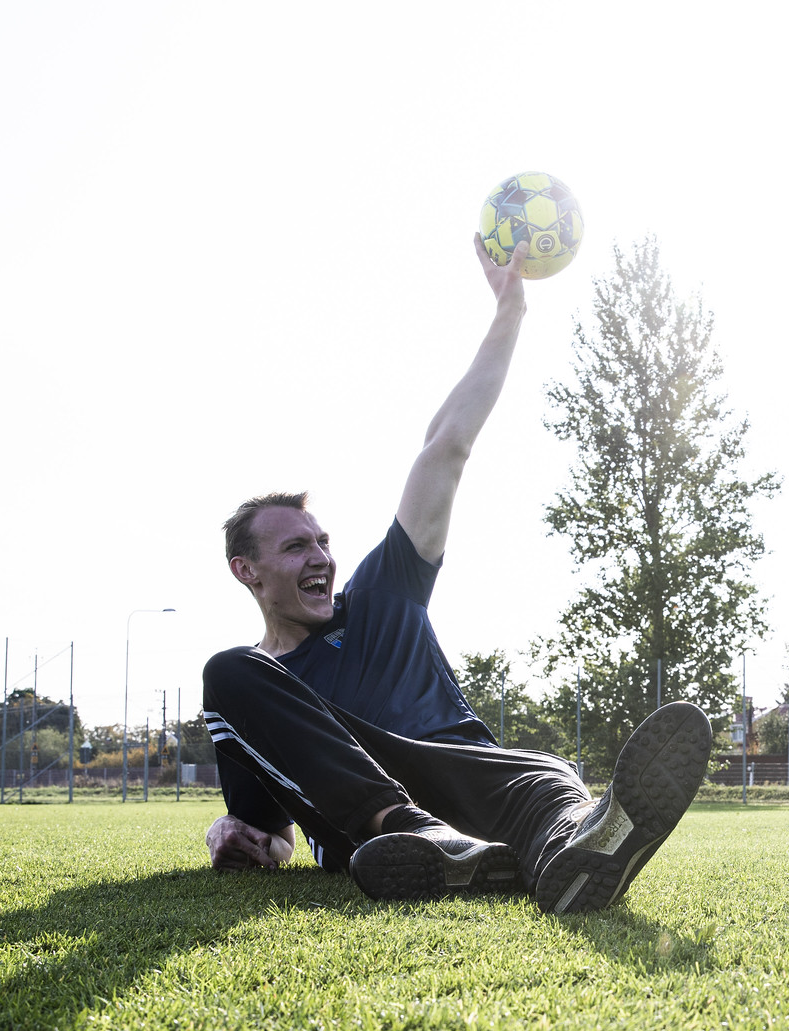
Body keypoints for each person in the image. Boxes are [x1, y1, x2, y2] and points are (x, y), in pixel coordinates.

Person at [200, 237, 713, 910]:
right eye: (296, 547)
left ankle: (577, 853)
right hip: (378, 814)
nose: (321, 556)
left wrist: (512, 308)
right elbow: (272, 835)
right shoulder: (253, 691)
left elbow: (446, 447)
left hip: (478, 777)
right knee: (224, 667)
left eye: (323, 541)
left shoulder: (383, 594)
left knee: (547, 777)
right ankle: (421, 836)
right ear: (247, 570)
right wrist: (230, 836)